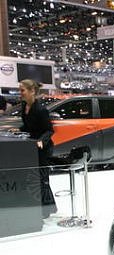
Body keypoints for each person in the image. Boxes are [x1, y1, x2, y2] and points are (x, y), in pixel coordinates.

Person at [16, 79, 56, 218]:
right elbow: (29, 126)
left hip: (43, 149)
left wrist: (41, 141)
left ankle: (46, 209)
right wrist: (19, 129)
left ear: (32, 91)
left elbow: (49, 130)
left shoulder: (41, 109)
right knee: (34, 178)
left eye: (22, 90)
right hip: (31, 148)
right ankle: (41, 207)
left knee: (42, 179)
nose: (20, 93)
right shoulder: (24, 106)